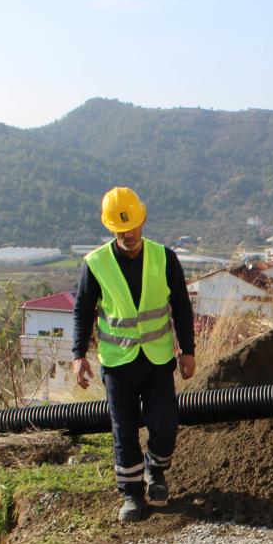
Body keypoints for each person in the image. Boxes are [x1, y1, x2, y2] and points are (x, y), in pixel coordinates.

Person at [72, 187, 197, 522]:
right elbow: (83, 311)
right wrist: (78, 354)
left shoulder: (164, 257)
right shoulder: (95, 264)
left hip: (157, 360)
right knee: (123, 428)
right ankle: (131, 495)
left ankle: (155, 471)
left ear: (142, 219)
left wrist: (188, 350)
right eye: (120, 229)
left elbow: (181, 306)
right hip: (118, 363)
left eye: (133, 226)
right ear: (111, 228)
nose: (128, 234)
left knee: (165, 423)